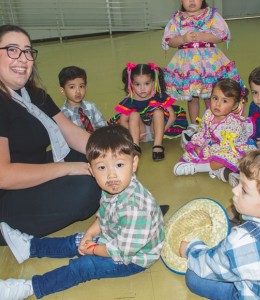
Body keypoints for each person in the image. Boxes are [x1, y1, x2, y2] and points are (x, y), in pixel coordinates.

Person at [0, 125, 165, 299]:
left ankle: (30, 287)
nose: (111, 175)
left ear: (134, 163)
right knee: (77, 240)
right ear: (91, 170)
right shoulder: (114, 187)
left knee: (84, 266)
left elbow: (120, 252)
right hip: (116, 237)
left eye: (119, 165)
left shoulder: (136, 210)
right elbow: (104, 215)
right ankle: (31, 247)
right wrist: (89, 234)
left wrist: (93, 249)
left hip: (132, 258)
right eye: (102, 168)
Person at [0, 24, 101, 246]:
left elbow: (72, 133)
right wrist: (68, 169)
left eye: (27, 51)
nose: (23, 58)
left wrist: (111, 153)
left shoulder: (34, 94)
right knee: (87, 188)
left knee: (95, 158)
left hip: (36, 173)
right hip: (7, 197)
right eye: (12, 50)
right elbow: (4, 175)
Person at [180, 145, 260, 299]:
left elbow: (208, 265)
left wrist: (190, 248)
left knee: (193, 277)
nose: (235, 191)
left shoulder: (241, 241)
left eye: (244, 190)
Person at [162, 0, 245, 138]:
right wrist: (182, 39)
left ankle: (213, 121)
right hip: (187, 63)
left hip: (209, 62)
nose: (192, 1)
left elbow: (221, 35)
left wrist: (203, 36)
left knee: (211, 93)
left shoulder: (211, 15)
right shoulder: (177, 19)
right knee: (192, 97)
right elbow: (169, 41)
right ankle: (194, 124)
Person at [173, 78, 256, 184]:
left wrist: (206, 151)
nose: (218, 104)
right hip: (214, 144)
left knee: (224, 159)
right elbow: (203, 131)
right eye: (215, 98)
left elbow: (225, 148)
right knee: (193, 151)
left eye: (224, 101)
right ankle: (221, 172)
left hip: (231, 147)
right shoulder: (208, 114)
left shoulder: (233, 124)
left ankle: (196, 168)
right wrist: (198, 145)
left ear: (234, 105)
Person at [108, 62, 188, 161]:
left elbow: (172, 116)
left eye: (147, 83)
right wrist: (133, 134)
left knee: (158, 112)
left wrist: (163, 130)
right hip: (140, 133)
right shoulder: (130, 100)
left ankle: (157, 145)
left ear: (154, 82)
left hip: (156, 131)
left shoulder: (159, 97)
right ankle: (135, 145)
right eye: (137, 84)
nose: (142, 88)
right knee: (134, 114)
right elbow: (123, 121)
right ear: (131, 84)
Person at [59, 65, 107, 133]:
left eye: (81, 86)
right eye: (72, 87)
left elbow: (103, 128)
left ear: (86, 87)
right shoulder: (63, 116)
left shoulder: (91, 107)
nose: (78, 91)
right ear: (62, 90)